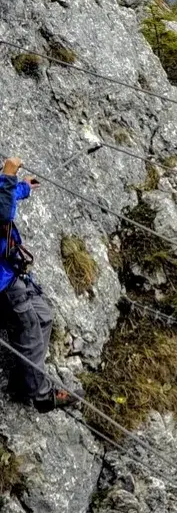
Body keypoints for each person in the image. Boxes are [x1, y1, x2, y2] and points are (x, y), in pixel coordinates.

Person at [0, 157, 73, 413]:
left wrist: (23, 187)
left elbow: (4, 197)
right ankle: (40, 394)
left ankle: (24, 380)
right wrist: (9, 174)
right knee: (28, 327)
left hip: (9, 272)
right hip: (3, 285)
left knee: (44, 315)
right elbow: (2, 211)